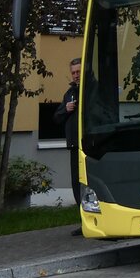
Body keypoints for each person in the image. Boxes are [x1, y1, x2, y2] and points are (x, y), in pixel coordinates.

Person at [54, 57, 82, 232]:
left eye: (78, 72)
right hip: (73, 145)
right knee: (76, 183)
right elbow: (56, 118)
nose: (76, 75)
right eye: (73, 73)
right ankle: (83, 220)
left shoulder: (90, 89)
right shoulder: (69, 94)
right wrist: (67, 109)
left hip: (87, 144)